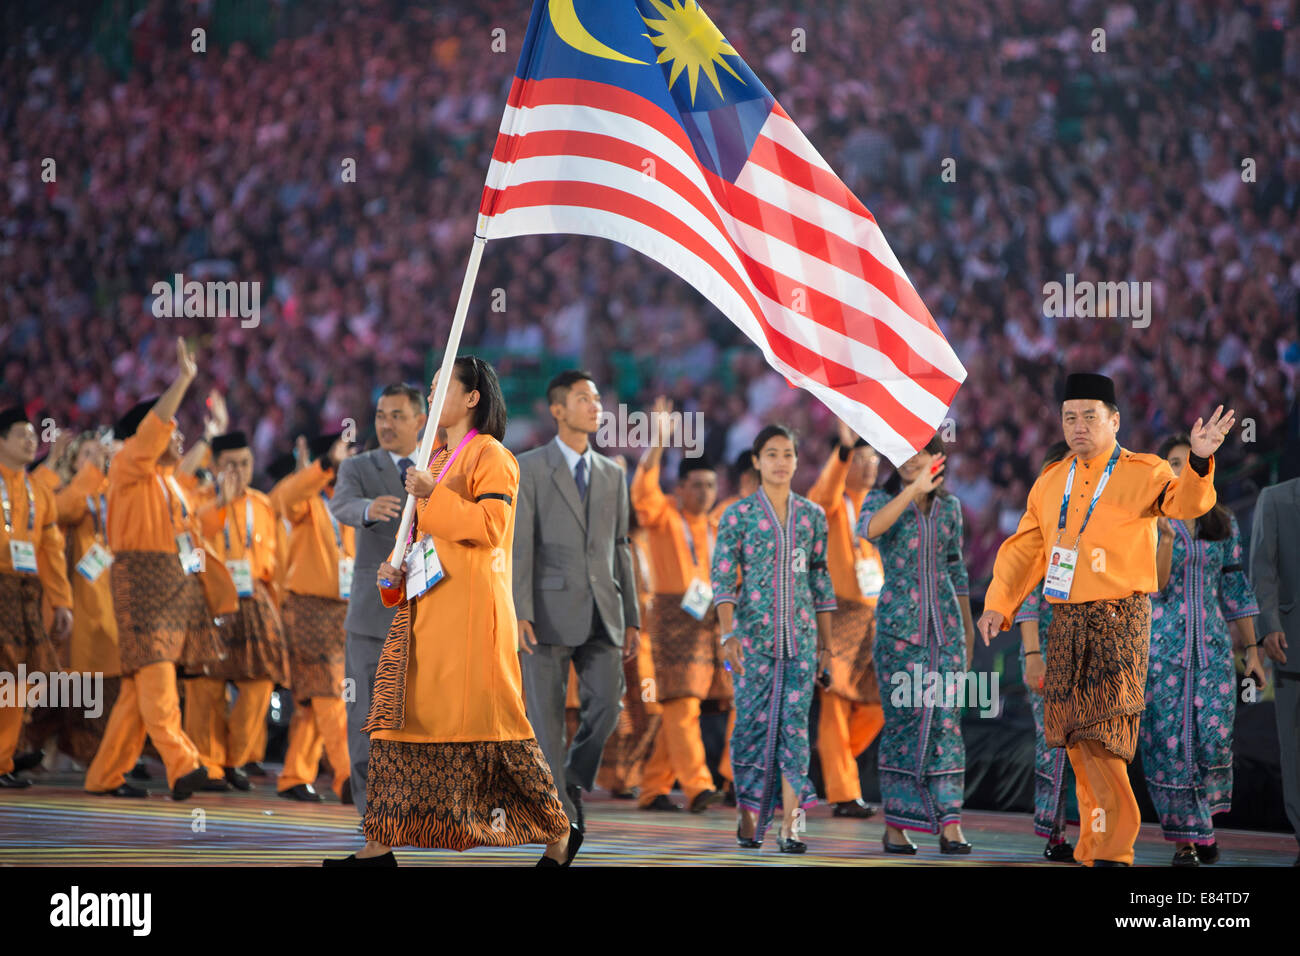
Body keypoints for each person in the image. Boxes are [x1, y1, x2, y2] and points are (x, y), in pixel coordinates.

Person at [326, 356, 577, 866]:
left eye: (445, 387)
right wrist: (396, 575)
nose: (434, 395)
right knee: (398, 725)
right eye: (433, 386)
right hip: (426, 616)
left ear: (471, 398)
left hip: (471, 621)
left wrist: (431, 495)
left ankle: (558, 833)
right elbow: (426, 541)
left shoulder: (493, 456)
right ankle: (377, 847)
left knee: (499, 728)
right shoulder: (436, 457)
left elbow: (490, 526)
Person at [979, 372, 1230, 867]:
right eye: (1069, 417)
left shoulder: (1144, 470)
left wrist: (1199, 460)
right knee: (1076, 740)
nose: (1078, 426)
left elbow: (1188, 503)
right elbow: (1025, 549)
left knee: (1106, 735)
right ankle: (1093, 844)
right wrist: (997, 603)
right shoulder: (1052, 481)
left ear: (1115, 420)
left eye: (1089, 416)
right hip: (1066, 623)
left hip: (1120, 620)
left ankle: (1115, 848)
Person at [83, 338, 227, 800]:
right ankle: (183, 762)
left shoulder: (170, 483)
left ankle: (105, 774)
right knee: (158, 674)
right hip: (142, 584)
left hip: (174, 587)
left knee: (137, 686)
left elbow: (190, 524)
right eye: (170, 429)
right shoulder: (127, 466)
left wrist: (211, 435)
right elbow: (154, 431)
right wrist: (183, 379)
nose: (175, 435)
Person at [513, 370, 640, 831]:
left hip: (603, 611)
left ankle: (572, 776)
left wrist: (632, 619)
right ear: (558, 410)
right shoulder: (527, 466)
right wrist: (520, 611)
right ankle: (563, 820)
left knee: (608, 704)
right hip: (544, 613)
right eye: (584, 399)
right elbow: (519, 544)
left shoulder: (612, 473)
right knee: (546, 721)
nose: (596, 406)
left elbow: (621, 546)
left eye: (597, 399)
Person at [712, 424, 836, 852]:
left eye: (788, 454)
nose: (781, 462)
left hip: (801, 645)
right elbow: (724, 578)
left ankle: (791, 826)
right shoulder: (738, 516)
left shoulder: (813, 517)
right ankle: (749, 816)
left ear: (798, 460)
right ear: (756, 461)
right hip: (752, 643)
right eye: (772, 454)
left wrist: (826, 647)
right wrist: (728, 633)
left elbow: (821, 583)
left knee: (796, 735)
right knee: (749, 730)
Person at [1144, 433, 1264, 866]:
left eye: (1188, 464)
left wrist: (1251, 650)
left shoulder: (1223, 522)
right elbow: (1154, 587)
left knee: (1212, 741)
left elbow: (1235, 587)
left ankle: (1202, 825)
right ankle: (1186, 842)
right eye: (1173, 465)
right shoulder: (1152, 520)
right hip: (1161, 651)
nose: (1181, 472)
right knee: (1170, 744)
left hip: (1213, 651)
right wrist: (1163, 539)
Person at [859, 434, 975, 853]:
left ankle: (950, 821)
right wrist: (911, 489)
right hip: (897, 633)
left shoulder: (951, 509)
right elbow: (870, 530)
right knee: (904, 722)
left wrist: (966, 629)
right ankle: (896, 825)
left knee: (947, 722)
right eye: (903, 453)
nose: (911, 459)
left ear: (936, 458)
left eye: (920, 452)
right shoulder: (879, 499)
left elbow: (956, 570)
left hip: (945, 631)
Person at [328, 383, 427, 817]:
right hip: (372, 614)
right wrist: (369, 509)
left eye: (398, 416)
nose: (386, 424)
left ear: (421, 419)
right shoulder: (359, 467)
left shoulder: (438, 466)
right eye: (381, 415)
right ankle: (372, 814)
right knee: (364, 713)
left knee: (422, 712)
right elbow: (342, 506)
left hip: (427, 610)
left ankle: (421, 804)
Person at [631, 396, 728, 813]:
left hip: (709, 625)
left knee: (682, 704)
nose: (705, 492)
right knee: (683, 703)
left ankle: (654, 787)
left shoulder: (718, 524)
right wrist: (658, 439)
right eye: (697, 485)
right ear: (681, 488)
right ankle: (698, 785)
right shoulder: (664, 515)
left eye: (710, 485)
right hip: (672, 621)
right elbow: (642, 489)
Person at [187, 430, 289, 792]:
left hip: (254, 600)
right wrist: (218, 505)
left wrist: (275, 606)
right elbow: (191, 550)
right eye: (230, 464)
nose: (239, 471)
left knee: (260, 682)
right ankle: (209, 764)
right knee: (206, 686)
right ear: (213, 466)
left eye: (245, 463)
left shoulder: (262, 505)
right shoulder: (196, 500)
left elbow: (275, 564)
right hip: (209, 599)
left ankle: (237, 758)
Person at [23, 429, 119, 770]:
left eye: (100, 456)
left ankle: (97, 754)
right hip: (65, 605)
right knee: (54, 684)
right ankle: (31, 749)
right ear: (73, 462)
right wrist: (86, 472)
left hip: (104, 606)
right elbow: (57, 508)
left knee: (97, 687)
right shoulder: (68, 492)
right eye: (87, 456)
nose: (97, 462)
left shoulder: (109, 493)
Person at [270, 433, 355, 802]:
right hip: (308, 609)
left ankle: (295, 775)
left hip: (343, 610)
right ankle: (349, 775)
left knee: (313, 697)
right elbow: (283, 499)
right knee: (329, 692)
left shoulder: (350, 505)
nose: (353, 461)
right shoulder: (309, 502)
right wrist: (322, 466)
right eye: (346, 455)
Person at [807, 420, 884, 818]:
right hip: (837, 614)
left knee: (878, 703)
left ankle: (835, 765)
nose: (870, 464)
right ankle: (842, 792)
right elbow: (820, 496)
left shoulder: (882, 505)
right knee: (835, 702)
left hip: (876, 618)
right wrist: (843, 448)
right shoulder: (834, 505)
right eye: (862, 457)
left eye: (874, 457)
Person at [0, 407, 74, 788]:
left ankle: (4, 758)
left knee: (19, 680)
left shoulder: (38, 491)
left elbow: (52, 551)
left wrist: (62, 602)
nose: (31, 442)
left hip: (25, 594)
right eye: (21, 436)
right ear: (1, 441)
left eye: (33, 435)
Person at [1013, 440, 1078, 861]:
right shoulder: (1036, 530)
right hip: (1050, 653)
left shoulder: (1103, 523)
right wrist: (1033, 654)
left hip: (1100, 653)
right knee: (1055, 743)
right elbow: (1027, 596)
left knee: (1098, 745)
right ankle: (1055, 833)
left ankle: (1100, 834)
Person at [1250, 475, 1300, 866]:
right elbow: (1262, 568)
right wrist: (1267, 626)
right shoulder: (1276, 498)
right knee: (1295, 751)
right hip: (1292, 647)